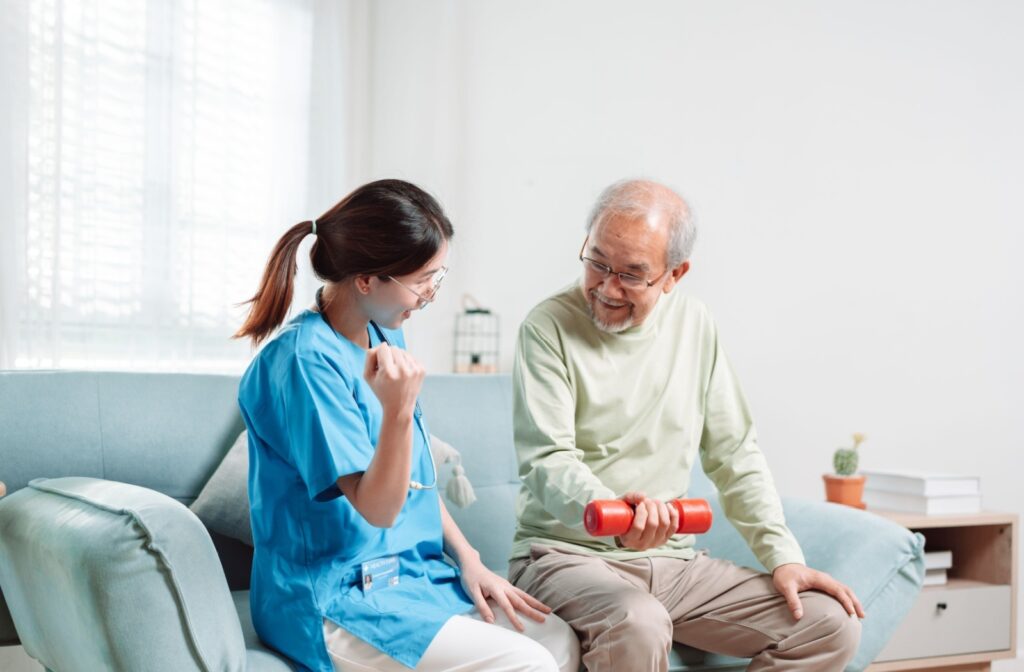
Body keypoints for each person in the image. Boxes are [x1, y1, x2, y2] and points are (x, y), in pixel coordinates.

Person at [508, 179, 864, 671]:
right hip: (565, 557)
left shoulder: (696, 325)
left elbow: (735, 453)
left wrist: (785, 557)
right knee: (638, 620)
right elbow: (548, 459)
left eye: (633, 275)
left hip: (675, 564)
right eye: (597, 262)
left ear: (675, 274)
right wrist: (611, 512)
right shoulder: (547, 326)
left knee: (829, 624)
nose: (608, 288)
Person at [234, 179, 579, 672]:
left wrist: (470, 559)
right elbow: (378, 507)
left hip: (413, 579)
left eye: (435, 279)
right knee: (530, 664)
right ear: (367, 280)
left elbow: (415, 481)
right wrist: (398, 411)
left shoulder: (381, 334)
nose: (428, 296)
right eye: (422, 281)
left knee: (559, 641)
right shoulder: (303, 362)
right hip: (335, 598)